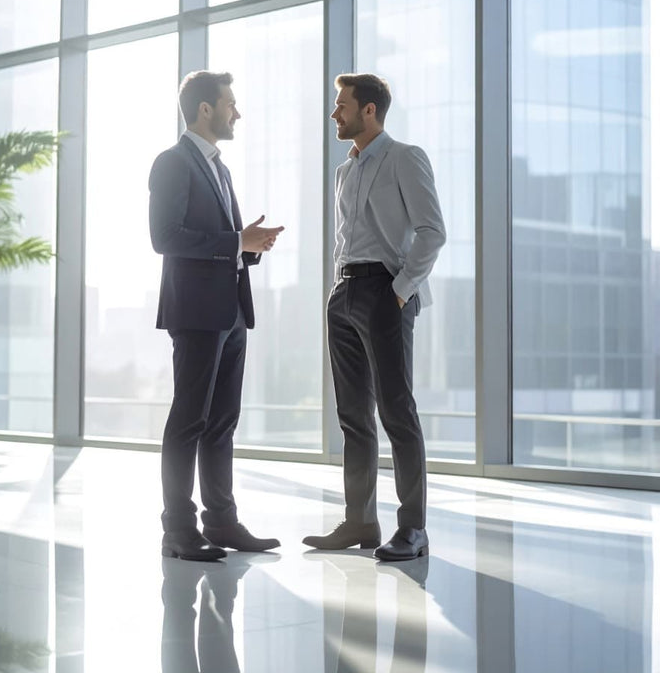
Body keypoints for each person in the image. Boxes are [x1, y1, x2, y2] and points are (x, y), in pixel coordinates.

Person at [302, 73, 446, 561]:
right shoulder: (346, 170)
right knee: (353, 416)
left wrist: (400, 292)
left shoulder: (405, 157)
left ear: (369, 110)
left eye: (341, 104)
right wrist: (337, 289)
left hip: (385, 292)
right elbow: (348, 238)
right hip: (343, 293)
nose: (333, 112)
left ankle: (413, 529)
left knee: (396, 411)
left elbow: (432, 231)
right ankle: (360, 520)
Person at [149, 70, 285, 562]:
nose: (237, 112)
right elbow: (164, 237)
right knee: (189, 418)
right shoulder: (172, 162)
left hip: (230, 311)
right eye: (230, 103)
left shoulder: (220, 169)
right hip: (196, 311)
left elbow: (219, 244)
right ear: (205, 109)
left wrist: (248, 247)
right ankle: (178, 531)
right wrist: (235, 242)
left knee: (223, 421)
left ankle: (222, 522)